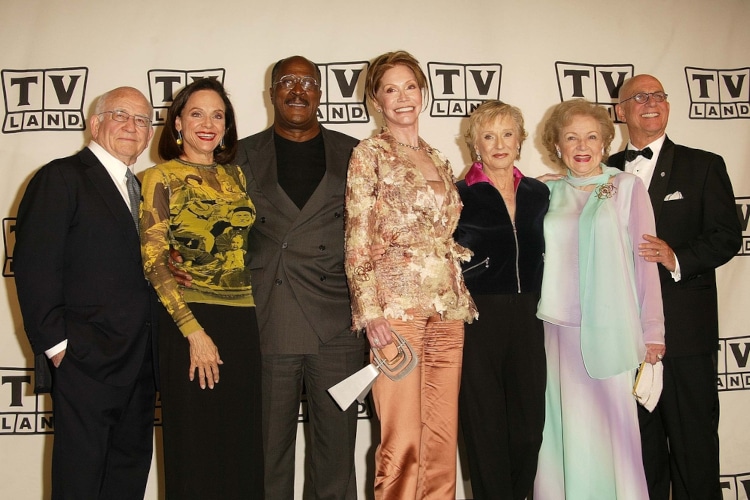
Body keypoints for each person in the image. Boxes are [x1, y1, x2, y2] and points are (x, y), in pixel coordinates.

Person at [173, 55, 366, 499]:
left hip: (337, 326)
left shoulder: (356, 153)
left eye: (308, 82)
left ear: (320, 92)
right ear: (271, 92)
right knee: (265, 457)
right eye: (287, 81)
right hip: (264, 321)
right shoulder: (237, 155)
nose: (297, 90)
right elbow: (202, 217)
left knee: (336, 457)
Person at [14, 86, 159, 499]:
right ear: (95, 124)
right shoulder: (60, 177)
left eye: (142, 120)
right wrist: (60, 347)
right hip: (85, 362)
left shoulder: (148, 188)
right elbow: (34, 267)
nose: (133, 127)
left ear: (150, 134)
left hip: (141, 364)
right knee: (80, 482)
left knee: (127, 480)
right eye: (120, 116)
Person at [344, 50, 477, 499]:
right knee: (401, 438)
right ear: (376, 101)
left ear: (423, 93)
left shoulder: (438, 157)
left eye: (410, 87)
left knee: (441, 437)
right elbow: (357, 239)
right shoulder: (369, 154)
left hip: (448, 307)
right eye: (390, 89)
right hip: (395, 312)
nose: (402, 97)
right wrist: (371, 311)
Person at [610, 74, 742, 500]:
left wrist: (677, 257)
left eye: (659, 96)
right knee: (640, 457)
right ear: (620, 111)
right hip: (622, 341)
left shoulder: (703, 165)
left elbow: (726, 236)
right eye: (640, 97)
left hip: (684, 339)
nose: (652, 103)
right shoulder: (602, 171)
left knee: (695, 453)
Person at [533, 98, 666, 500]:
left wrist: (653, 331)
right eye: (571, 137)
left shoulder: (626, 188)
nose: (582, 145)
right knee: (563, 435)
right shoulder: (545, 192)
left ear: (606, 142)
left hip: (611, 331)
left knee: (614, 437)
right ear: (556, 146)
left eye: (591, 136)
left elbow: (646, 265)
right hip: (558, 334)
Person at [140, 78, 263, 499]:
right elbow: (155, 260)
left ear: (227, 127)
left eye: (218, 115)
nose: (207, 124)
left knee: (241, 445)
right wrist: (193, 330)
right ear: (177, 124)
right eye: (196, 113)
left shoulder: (237, 177)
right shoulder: (159, 177)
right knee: (195, 447)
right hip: (188, 320)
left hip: (241, 319)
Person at [454, 100, 549, 500]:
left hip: (531, 315)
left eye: (507, 134)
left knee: (529, 428)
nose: (498, 144)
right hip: (479, 319)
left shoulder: (540, 192)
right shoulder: (458, 195)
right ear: (475, 144)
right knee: (485, 429)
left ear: (520, 140)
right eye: (488, 136)